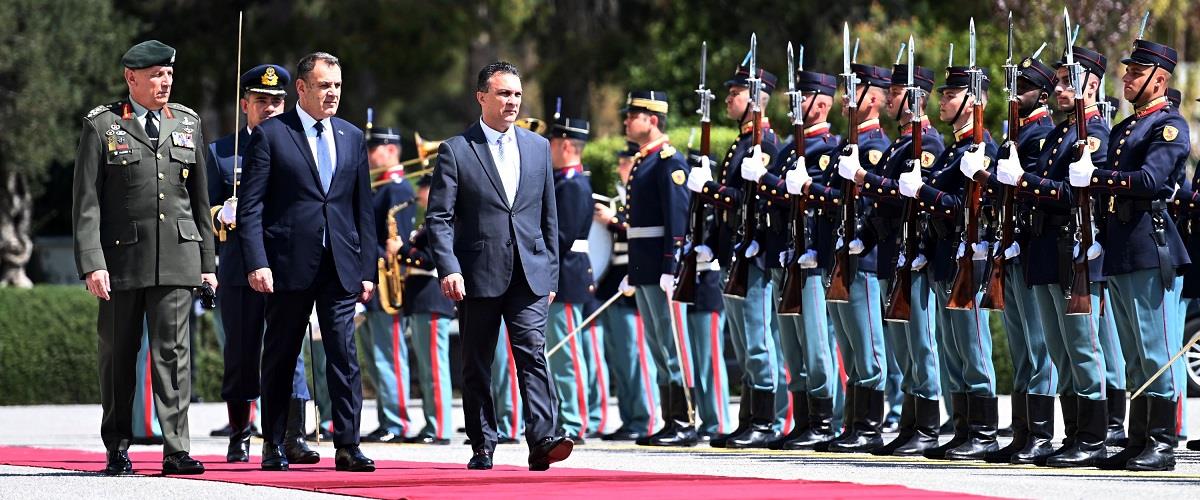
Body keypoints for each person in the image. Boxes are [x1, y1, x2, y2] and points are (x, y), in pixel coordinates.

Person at [72, 40, 215, 476]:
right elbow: (87, 202)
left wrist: (207, 264)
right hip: (121, 262)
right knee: (117, 355)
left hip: (177, 256)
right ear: (130, 78)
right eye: (155, 75)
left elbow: (200, 200)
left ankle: (176, 450)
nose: (165, 82)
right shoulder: (103, 125)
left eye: (168, 74)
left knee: (174, 355)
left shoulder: (187, 122)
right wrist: (93, 262)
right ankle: (117, 446)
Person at [426, 61, 572, 472]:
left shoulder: (538, 147)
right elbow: (438, 218)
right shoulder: (457, 149)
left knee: (533, 353)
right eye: (504, 93)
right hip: (477, 274)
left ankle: (542, 439)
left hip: (530, 272)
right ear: (481, 97)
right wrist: (449, 267)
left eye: (517, 94)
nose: (512, 102)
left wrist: (551, 274)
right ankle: (483, 443)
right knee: (476, 362)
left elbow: (548, 215)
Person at [238, 51, 377, 473]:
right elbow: (251, 207)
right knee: (280, 357)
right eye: (323, 85)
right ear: (301, 88)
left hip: (340, 265)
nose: (332, 93)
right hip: (287, 265)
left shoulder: (351, 136)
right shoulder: (272, 134)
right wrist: (257, 261)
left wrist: (367, 270)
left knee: (344, 357)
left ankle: (348, 445)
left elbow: (362, 208)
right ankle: (274, 442)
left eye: (337, 85)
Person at [1076, 38, 1191, 472]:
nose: (1126, 77)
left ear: (1159, 80)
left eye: (1136, 72)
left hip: (1149, 247)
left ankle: (1161, 442)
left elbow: (1149, 180)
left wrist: (1096, 177)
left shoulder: (1170, 126)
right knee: (1133, 352)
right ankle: (1139, 438)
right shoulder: (1127, 127)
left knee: (1156, 349)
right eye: (1127, 71)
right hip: (1122, 248)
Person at [994, 47, 1111, 467]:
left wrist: (1024, 181)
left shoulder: (1093, 133)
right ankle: (1073, 435)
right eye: (1058, 82)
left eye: (1066, 82)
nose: (1058, 89)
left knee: (1081, 347)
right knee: (1060, 351)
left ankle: (1093, 438)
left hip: (1071, 249)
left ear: (1090, 85)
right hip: (1044, 248)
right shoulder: (1061, 134)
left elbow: (1073, 192)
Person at [205, 63, 318, 464]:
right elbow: (202, 209)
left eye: (276, 101)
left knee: (290, 353)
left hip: (285, 266)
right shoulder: (222, 152)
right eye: (260, 101)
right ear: (245, 104)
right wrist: (222, 213)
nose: (269, 108)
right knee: (241, 351)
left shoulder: (300, 144)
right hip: (240, 266)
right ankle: (240, 433)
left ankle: (293, 435)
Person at [898, 65, 1000, 461]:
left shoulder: (982, 148)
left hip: (967, 260)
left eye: (951, 95)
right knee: (953, 351)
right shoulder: (954, 151)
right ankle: (962, 429)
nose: (942, 101)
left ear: (972, 103)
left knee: (973, 348)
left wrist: (923, 191)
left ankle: (984, 433)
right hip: (945, 259)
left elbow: (961, 207)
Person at [686, 63, 786, 449]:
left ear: (756, 99)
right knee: (744, 344)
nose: (728, 99)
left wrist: (710, 189)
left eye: (735, 93)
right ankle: (749, 418)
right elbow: (732, 210)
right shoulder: (740, 143)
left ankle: (767, 420)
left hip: (756, 254)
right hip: (734, 253)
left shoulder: (767, 144)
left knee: (758, 340)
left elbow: (752, 202)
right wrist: (712, 242)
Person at [851, 62, 948, 456]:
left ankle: (927, 426)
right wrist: (863, 238)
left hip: (916, 253)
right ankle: (910, 425)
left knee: (921, 344)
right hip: (893, 254)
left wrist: (866, 180)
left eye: (895, 93)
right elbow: (885, 204)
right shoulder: (899, 145)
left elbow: (908, 195)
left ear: (914, 98)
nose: (889, 99)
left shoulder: (929, 143)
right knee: (903, 346)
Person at [760, 69, 847, 450]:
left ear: (823, 104)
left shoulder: (827, 148)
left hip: (810, 255)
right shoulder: (787, 149)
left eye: (804, 96)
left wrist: (769, 181)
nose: (794, 102)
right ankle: (803, 418)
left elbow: (820, 197)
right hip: (787, 254)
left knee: (815, 342)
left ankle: (824, 420)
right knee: (792, 344)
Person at [817, 62, 894, 453]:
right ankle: (853, 422)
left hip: (862, 255)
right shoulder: (846, 145)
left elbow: (875, 202)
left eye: (857, 90)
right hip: (840, 253)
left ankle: (869, 426)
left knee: (867, 347)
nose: (847, 96)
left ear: (875, 99)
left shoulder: (875, 146)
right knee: (849, 346)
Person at [593, 142, 661, 441]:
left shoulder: (639, 200)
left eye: (628, 162)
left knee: (636, 357)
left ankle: (645, 417)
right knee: (620, 358)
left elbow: (640, 231)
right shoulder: (618, 201)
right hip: (613, 285)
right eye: (621, 163)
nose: (623, 168)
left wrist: (613, 221)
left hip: (633, 283)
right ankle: (629, 417)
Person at [356, 126, 417, 443]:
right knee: (377, 357)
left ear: (391, 149)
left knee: (389, 357)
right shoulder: (381, 187)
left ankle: (397, 422)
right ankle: (388, 419)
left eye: (373, 149)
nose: (368, 155)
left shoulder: (397, 189)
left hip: (388, 284)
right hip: (374, 284)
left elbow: (398, 244)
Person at [545, 115, 595, 442]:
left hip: (566, 275)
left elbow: (561, 237)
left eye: (551, 143)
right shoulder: (562, 181)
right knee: (558, 353)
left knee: (567, 354)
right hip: (559, 274)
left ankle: (575, 420)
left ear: (565, 145)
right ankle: (566, 416)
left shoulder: (573, 184)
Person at [400, 174, 455, 444]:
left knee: (434, 368)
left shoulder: (440, 221)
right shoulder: (428, 221)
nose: (419, 193)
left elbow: (431, 260)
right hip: (422, 300)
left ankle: (440, 427)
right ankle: (432, 423)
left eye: (423, 188)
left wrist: (402, 250)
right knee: (426, 368)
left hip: (432, 297)